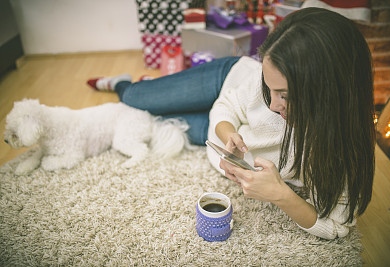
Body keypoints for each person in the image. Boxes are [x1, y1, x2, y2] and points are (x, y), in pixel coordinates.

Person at [87, 7, 375, 240]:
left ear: (328, 93)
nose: (274, 106)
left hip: (226, 123)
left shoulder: (342, 148)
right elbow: (226, 106)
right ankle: (122, 82)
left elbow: (336, 227)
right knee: (135, 99)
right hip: (226, 80)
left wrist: (281, 195)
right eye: (270, 90)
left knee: (157, 121)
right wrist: (228, 134)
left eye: (285, 96)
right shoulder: (266, 79)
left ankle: (165, 92)